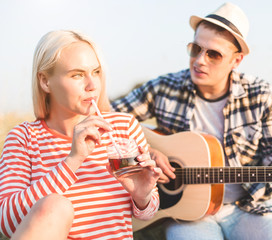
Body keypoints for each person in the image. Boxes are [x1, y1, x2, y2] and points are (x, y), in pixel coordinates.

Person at [112, 2, 272, 240]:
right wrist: (146, 150)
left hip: (247, 209)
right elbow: (108, 120)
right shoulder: (164, 88)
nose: (199, 60)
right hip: (186, 216)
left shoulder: (261, 94)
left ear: (236, 61)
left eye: (214, 54)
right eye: (195, 48)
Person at [0, 30, 162, 240]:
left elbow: (148, 212)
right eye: (77, 75)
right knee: (55, 205)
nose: (92, 85)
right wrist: (73, 161)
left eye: (96, 72)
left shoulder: (123, 127)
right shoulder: (24, 138)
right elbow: (7, 223)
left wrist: (143, 196)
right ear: (45, 81)